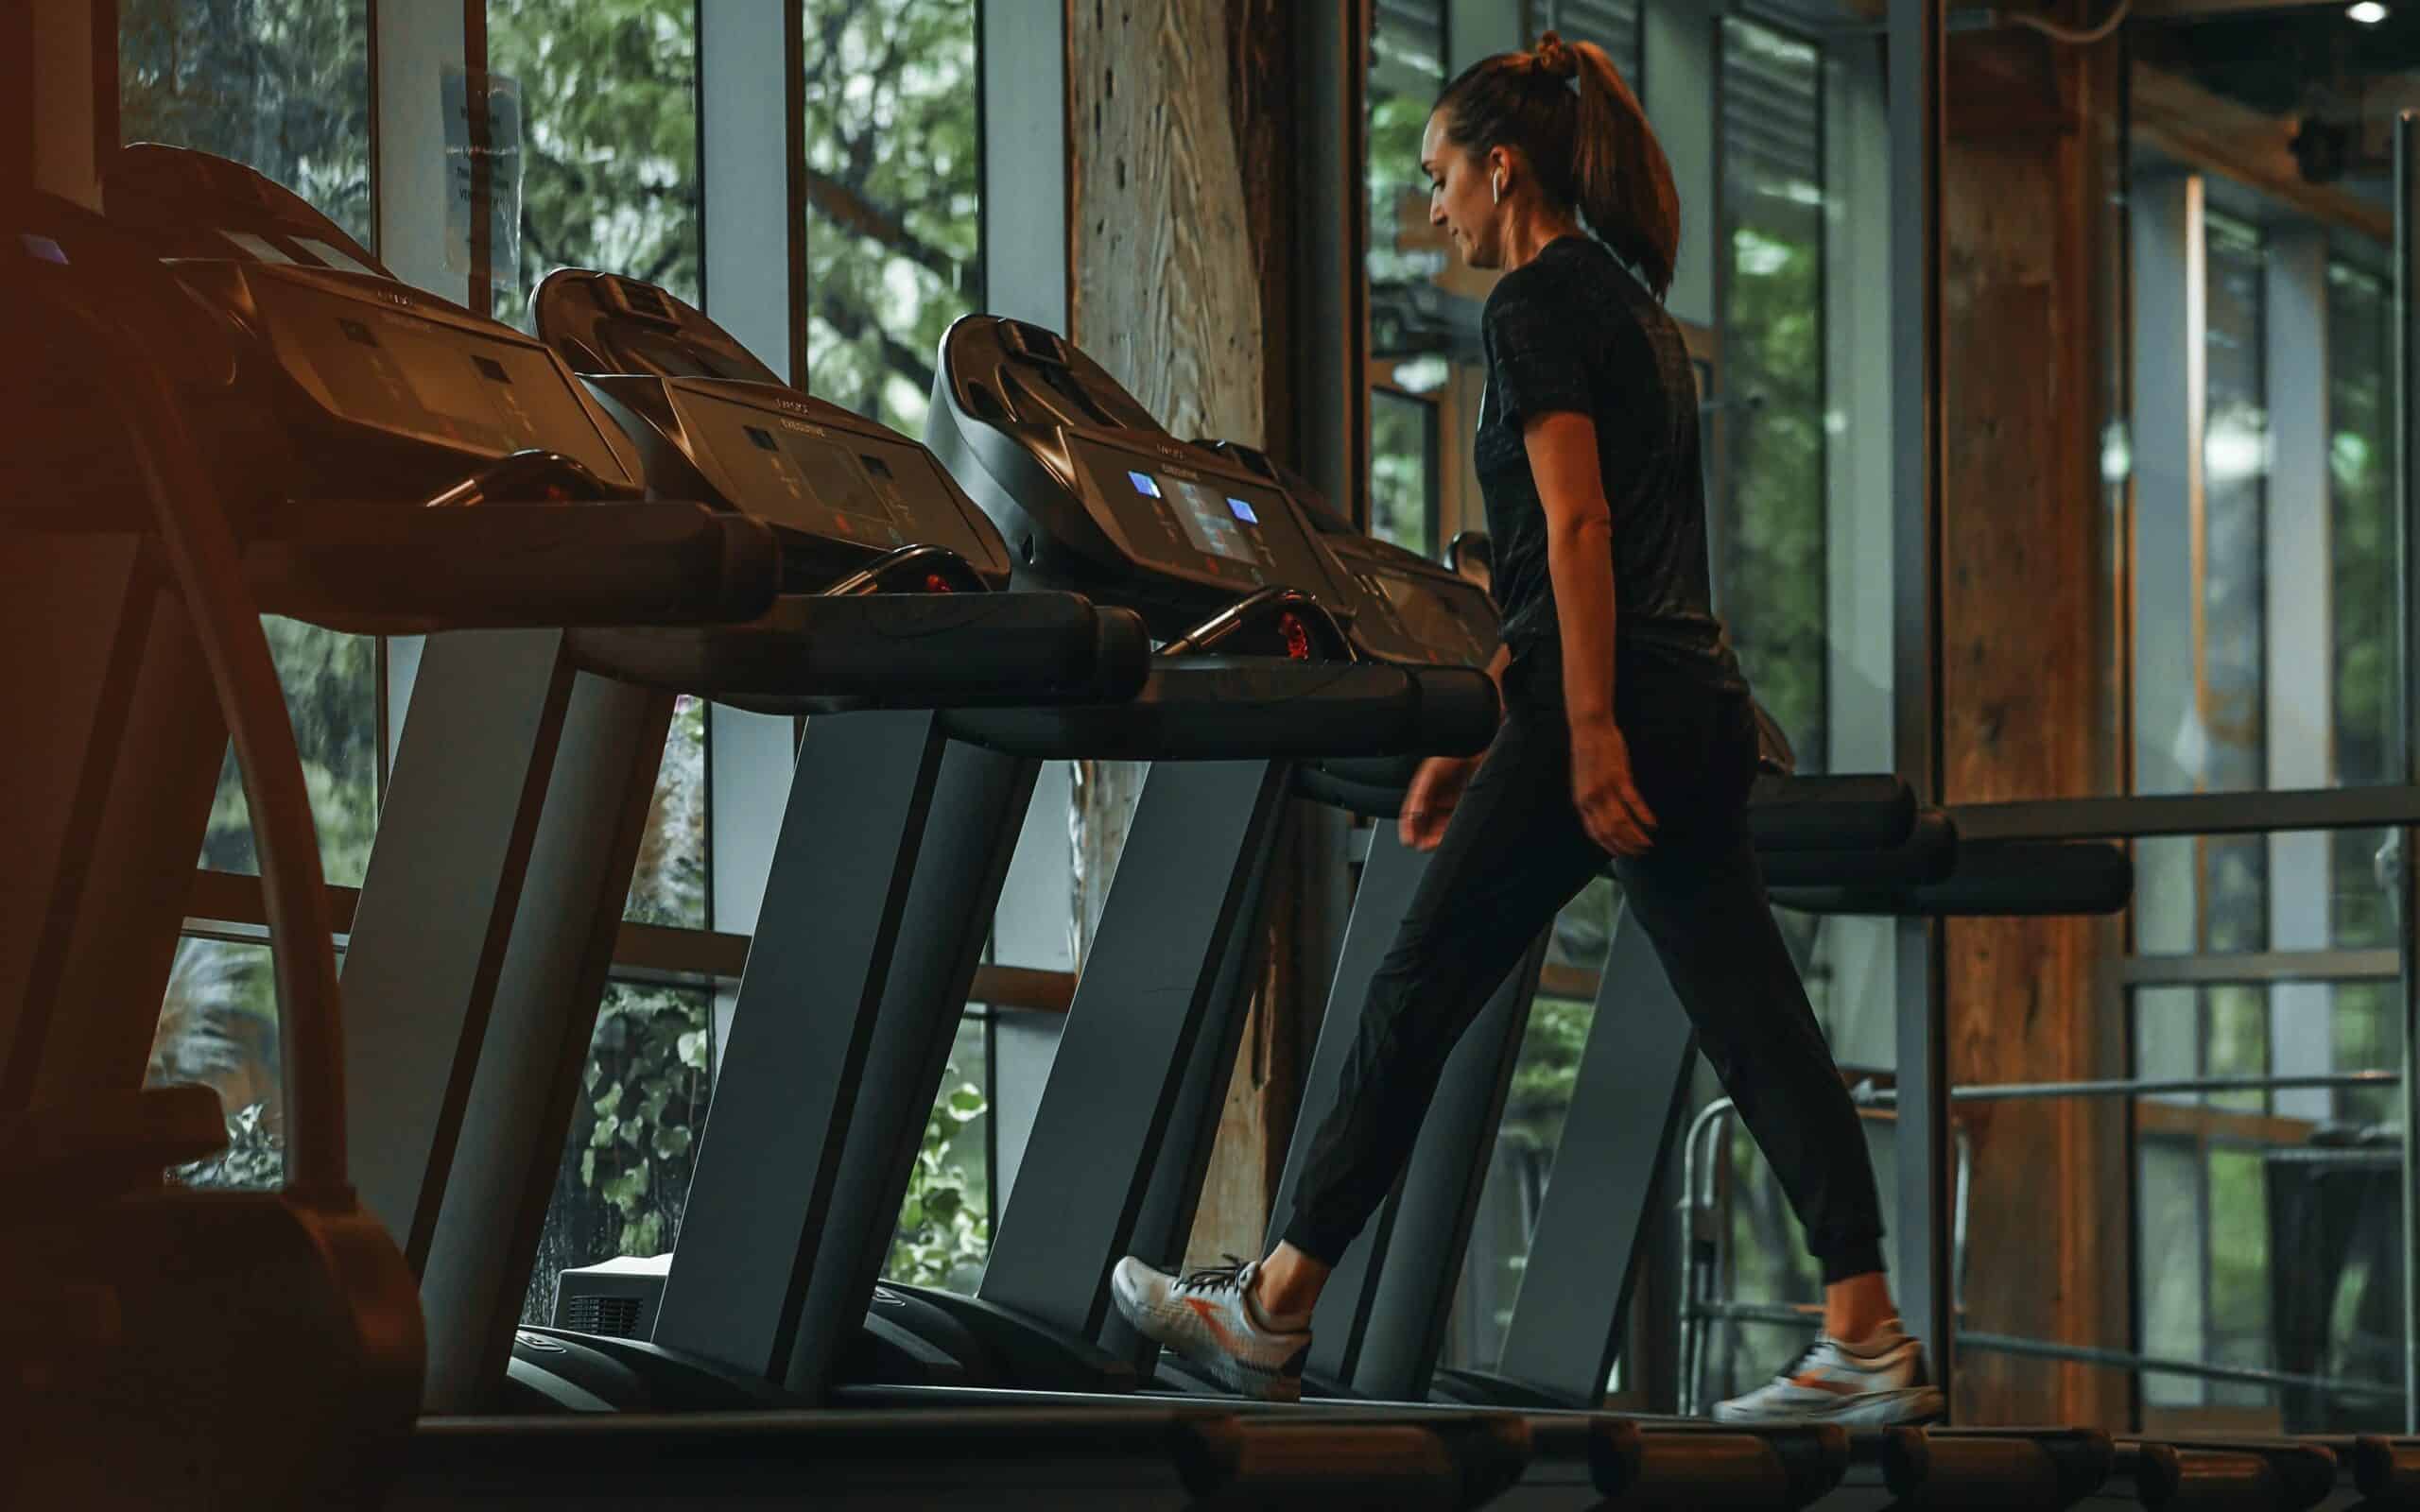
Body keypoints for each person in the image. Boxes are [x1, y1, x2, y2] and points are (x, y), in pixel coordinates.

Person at [1109, 31, 1942, 1427]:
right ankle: (1865, 1331)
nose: (1432, 208)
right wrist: (1489, 720)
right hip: (1683, 703)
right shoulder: (1633, 311)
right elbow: (1581, 570)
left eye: (1440, 175)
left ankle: (1272, 1308)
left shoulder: (1537, 308)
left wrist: (1586, 731)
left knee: (1416, 986)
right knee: (1753, 1021)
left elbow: (1580, 526)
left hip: (1613, 711)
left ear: (1505, 168)